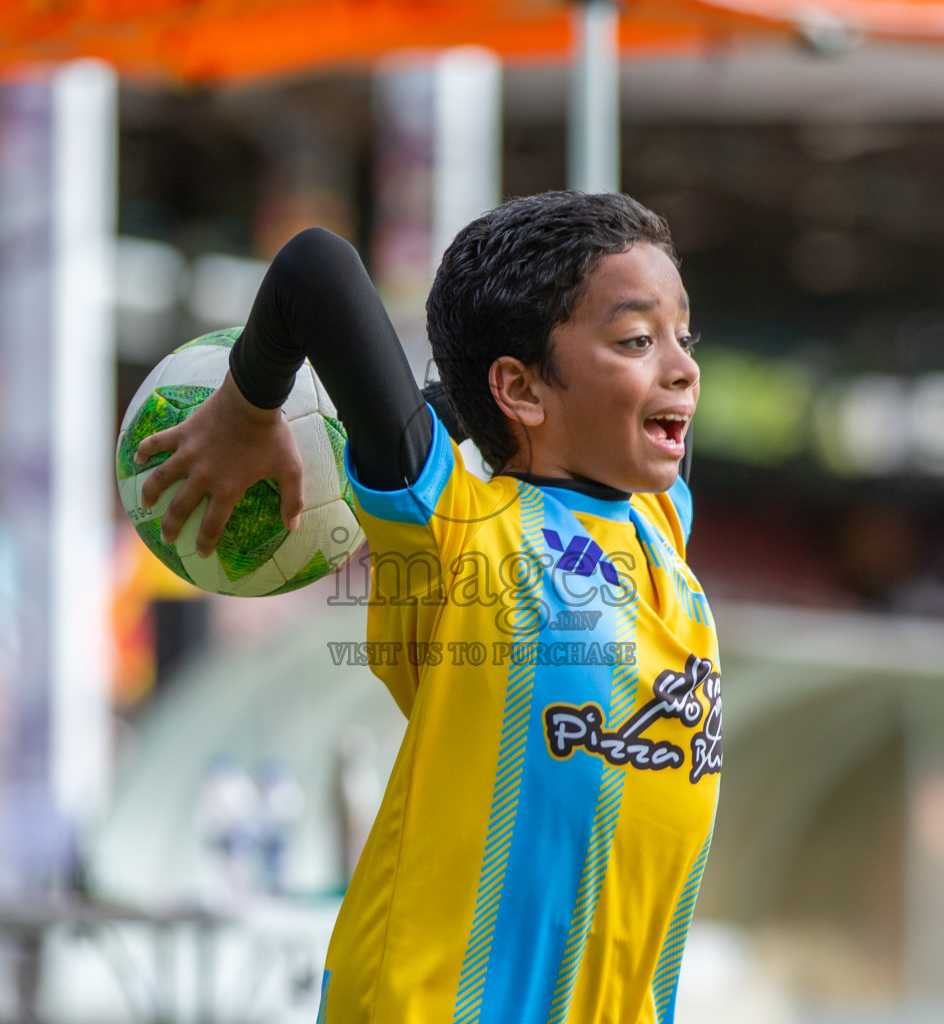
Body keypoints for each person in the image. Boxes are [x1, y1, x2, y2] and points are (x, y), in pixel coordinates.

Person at [135, 192, 718, 1022]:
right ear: (519, 387)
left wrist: (470, 404)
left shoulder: (661, 525)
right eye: (635, 339)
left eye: (682, 337)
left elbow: (478, 398)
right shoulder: (458, 532)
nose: (683, 366)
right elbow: (316, 270)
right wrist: (249, 405)